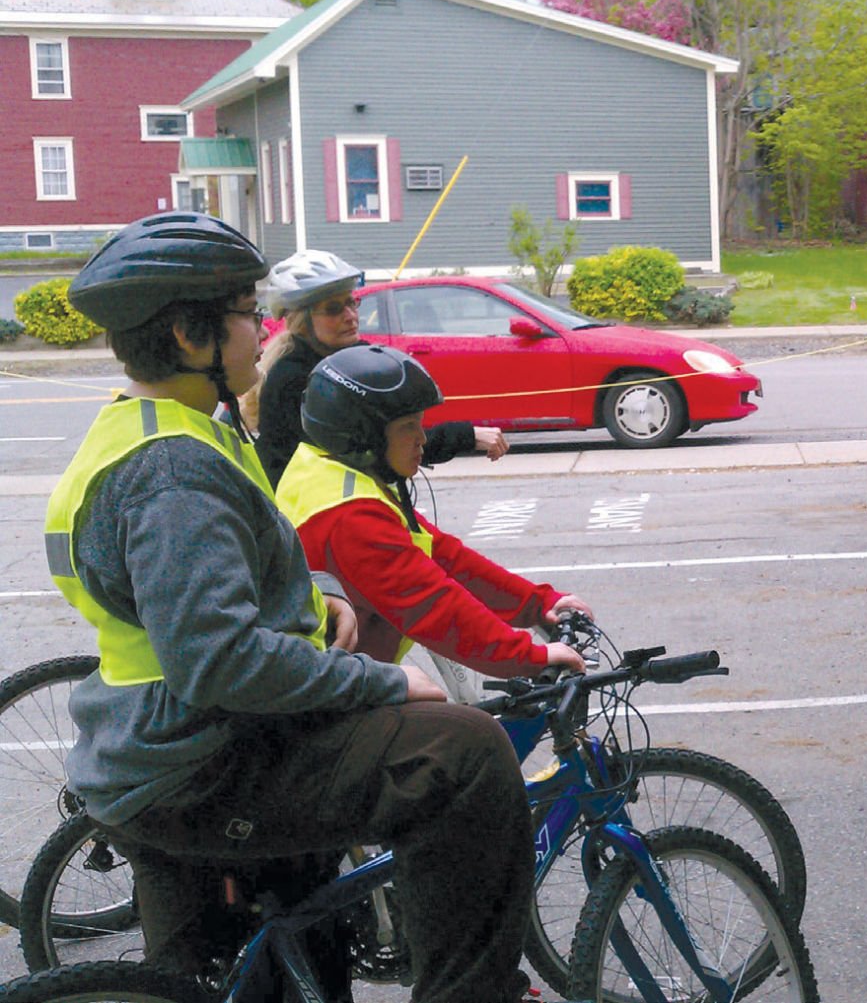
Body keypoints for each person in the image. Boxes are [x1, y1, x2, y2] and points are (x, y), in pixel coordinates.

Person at [44, 212, 535, 1003]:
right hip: (198, 758)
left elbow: (235, 572)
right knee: (465, 754)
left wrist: (324, 605)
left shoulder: (160, 426)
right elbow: (218, 658)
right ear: (189, 333)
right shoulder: (172, 471)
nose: (260, 328)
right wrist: (379, 682)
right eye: (245, 312)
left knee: (308, 943)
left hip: (174, 741)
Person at [276, 343, 590, 678]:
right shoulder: (350, 517)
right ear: (362, 436)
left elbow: (442, 555)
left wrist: (538, 603)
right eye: (408, 426)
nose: (422, 439)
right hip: (327, 693)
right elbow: (435, 608)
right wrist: (528, 656)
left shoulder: (328, 473)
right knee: (473, 731)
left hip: (339, 675)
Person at [244, 249, 508, 485]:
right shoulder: (295, 379)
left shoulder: (351, 359)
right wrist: (466, 435)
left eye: (351, 302)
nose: (350, 315)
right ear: (302, 320)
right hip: (311, 518)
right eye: (334, 309)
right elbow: (377, 449)